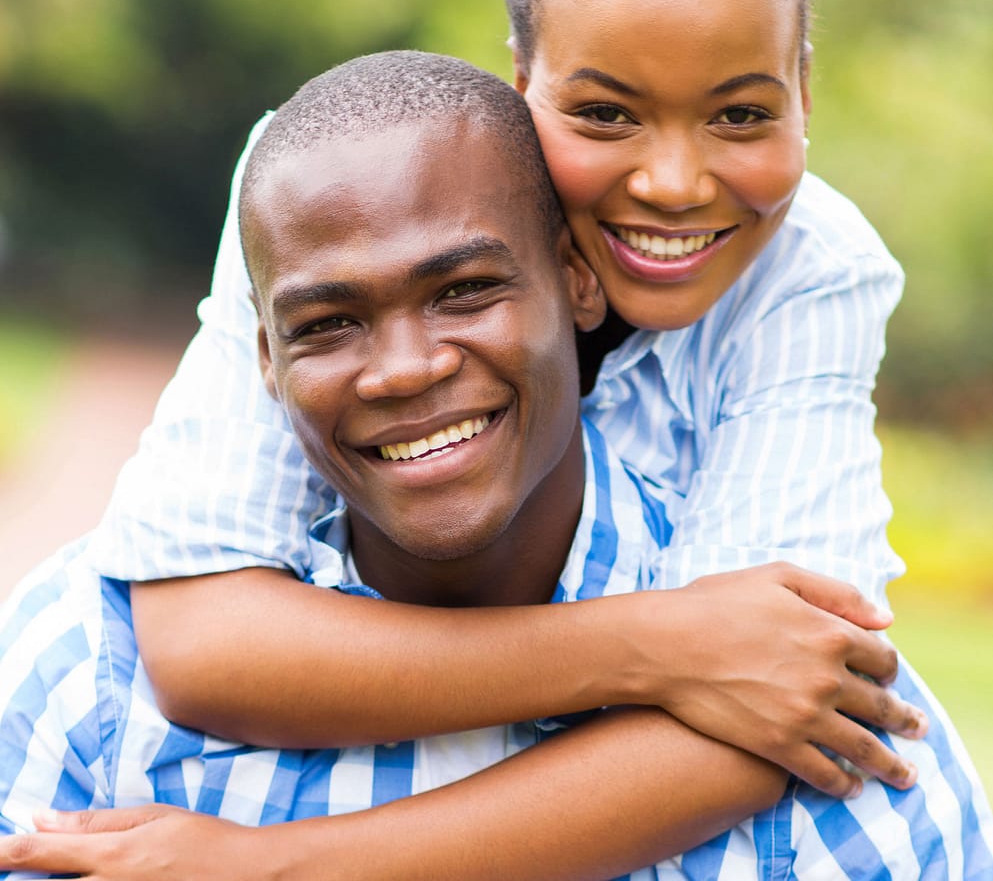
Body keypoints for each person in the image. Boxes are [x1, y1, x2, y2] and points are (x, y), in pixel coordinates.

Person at [1, 52, 990, 881]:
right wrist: (660, 648)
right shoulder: (83, 679)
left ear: (577, 281)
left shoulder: (831, 731)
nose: (404, 369)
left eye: (466, 291)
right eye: (329, 324)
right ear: (262, 358)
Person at [78, 0, 921, 799]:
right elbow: (206, 645)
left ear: (806, 94)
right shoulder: (324, 194)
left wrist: (274, 868)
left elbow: (782, 710)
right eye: (605, 114)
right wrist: (662, 646)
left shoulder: (812, 268)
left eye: (741, 115)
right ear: (524, 88)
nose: (676, 185)